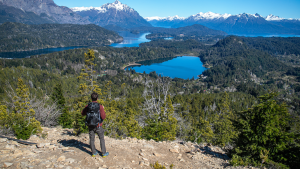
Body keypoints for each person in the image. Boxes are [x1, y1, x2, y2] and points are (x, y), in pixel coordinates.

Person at [81, 92, 109, 157]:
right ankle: (104, 153)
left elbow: (82, 113)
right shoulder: (100, 106)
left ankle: (93, 152)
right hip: (98, 125)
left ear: (91, 98)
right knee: (101, 138)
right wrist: (102, 109)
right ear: (97, 98)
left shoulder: (88, 106)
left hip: (90, 125)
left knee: (92, 139)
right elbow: (103, 117)